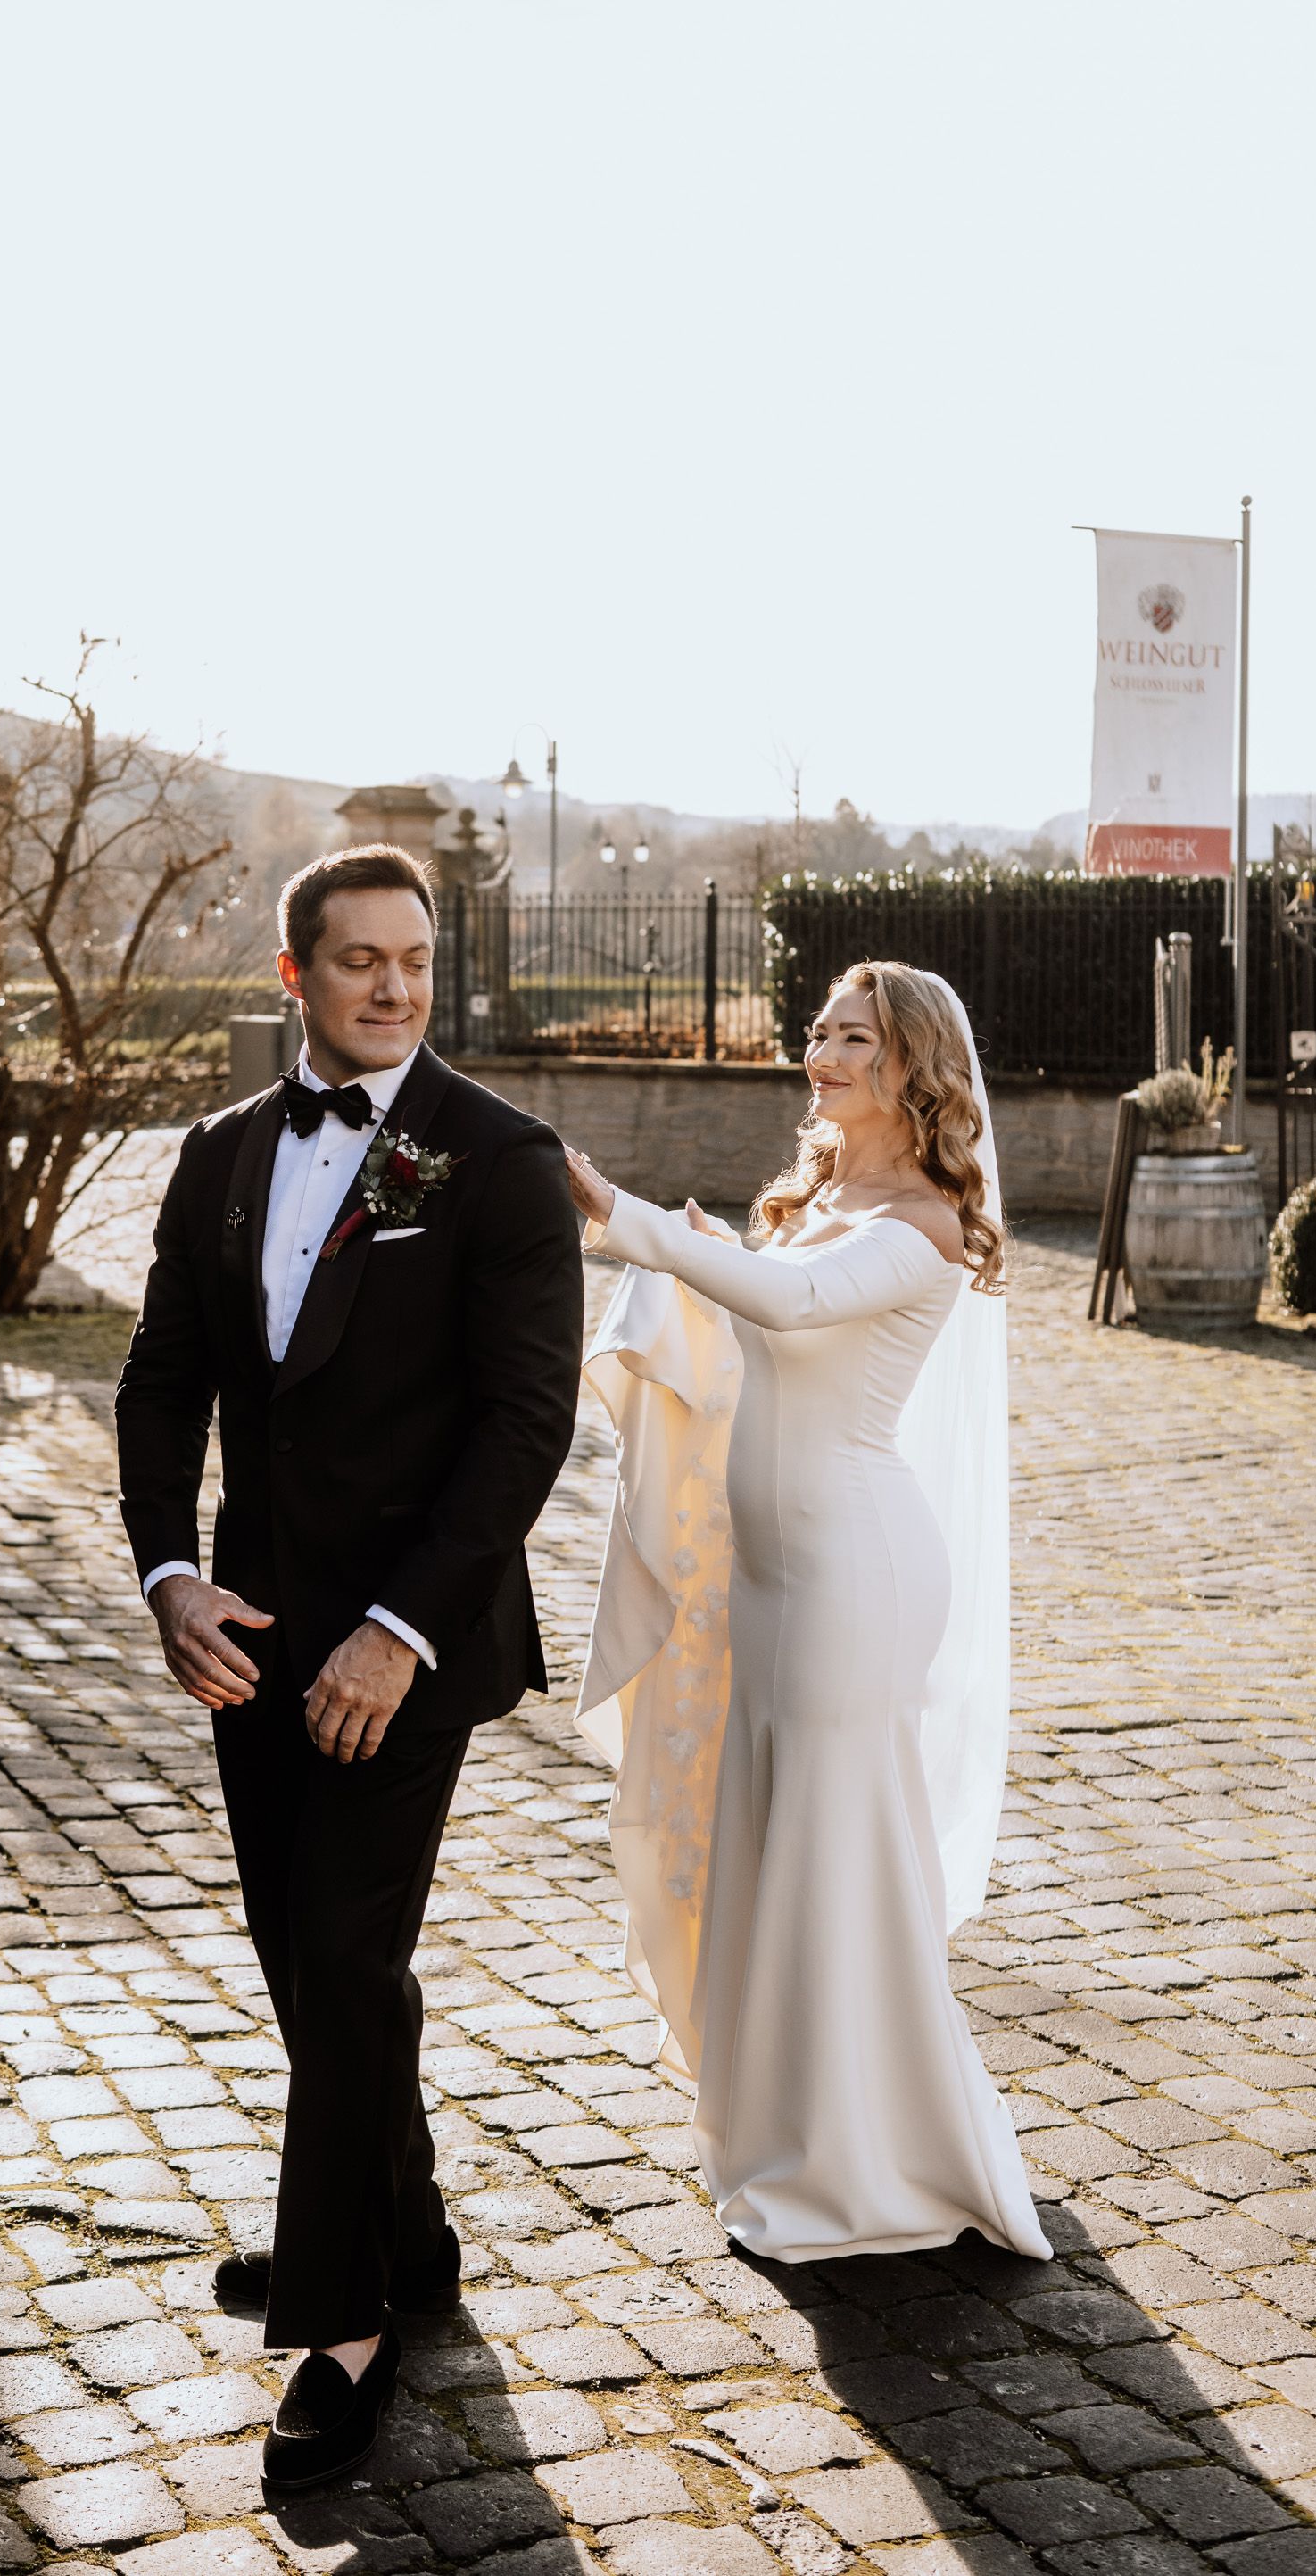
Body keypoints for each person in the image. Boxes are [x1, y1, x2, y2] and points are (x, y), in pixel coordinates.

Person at [115, 845, 583, 2490]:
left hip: (415, 1640)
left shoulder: (492, 1160)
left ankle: (344, 2319)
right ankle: (410, 2229)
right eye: (361, 959)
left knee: (340, 1940)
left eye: (416, 958)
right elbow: (164, 1380)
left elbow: (527, 1427)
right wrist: (173, 1575)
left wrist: (401, 1631)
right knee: (309, 1962)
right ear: (293, 971)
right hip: (250, 1635)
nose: (394, 986)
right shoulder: (223, 1153)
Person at [562, 961, 1049, 2265]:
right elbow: (766, 1303)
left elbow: (793, 1305)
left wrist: (626, 1219)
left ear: (916, 1072)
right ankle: (781, 2126)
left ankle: (871, 2161)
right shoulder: (828, 1194)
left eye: (855, 1038)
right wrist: (705, 1249)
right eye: (819, 1029)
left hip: (855, 1571)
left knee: (837, 1851)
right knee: (774, 1835)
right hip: (774, 1572)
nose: (821, 1052)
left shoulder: (930, 1222)